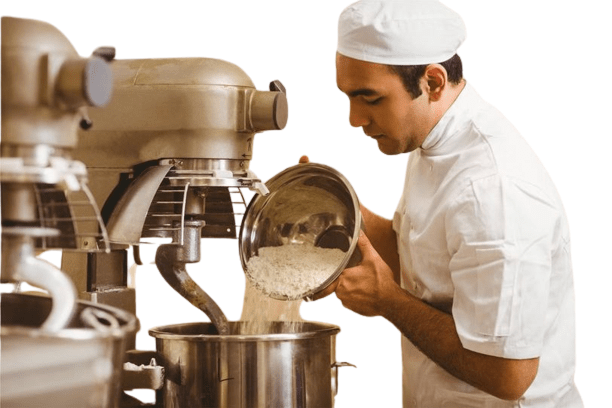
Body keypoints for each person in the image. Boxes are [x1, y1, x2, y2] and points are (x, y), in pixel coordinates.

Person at [311, 0, 583, 406]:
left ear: (433, 82)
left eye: (370, 98)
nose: (355, 118)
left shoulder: (492, 190)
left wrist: (387, 301)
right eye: (349, 96)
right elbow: (427, 266)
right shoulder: (434, 138)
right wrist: (344, 211)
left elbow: (509, 374)